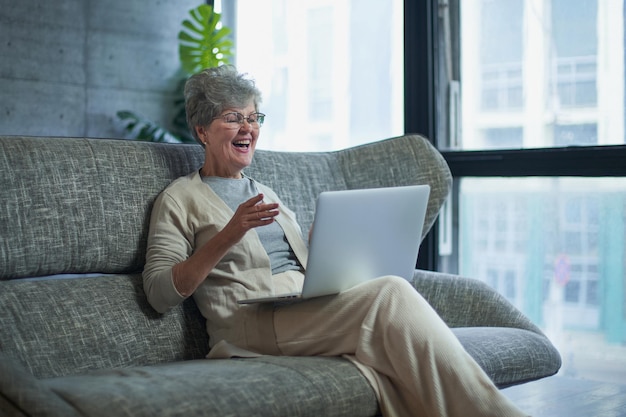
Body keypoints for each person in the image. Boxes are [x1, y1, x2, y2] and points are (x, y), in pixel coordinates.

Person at [142, 65, 528, 417]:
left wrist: (323, 249)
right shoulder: (179, 198)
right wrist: (230, 233)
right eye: (233, 118)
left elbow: (292, 268)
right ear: (202, 131)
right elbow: (160, 293)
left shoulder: (268, 193)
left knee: (388, 349)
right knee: (391, 293)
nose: (248, 128)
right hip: (248, 325)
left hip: (304, 307)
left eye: (253, 117)